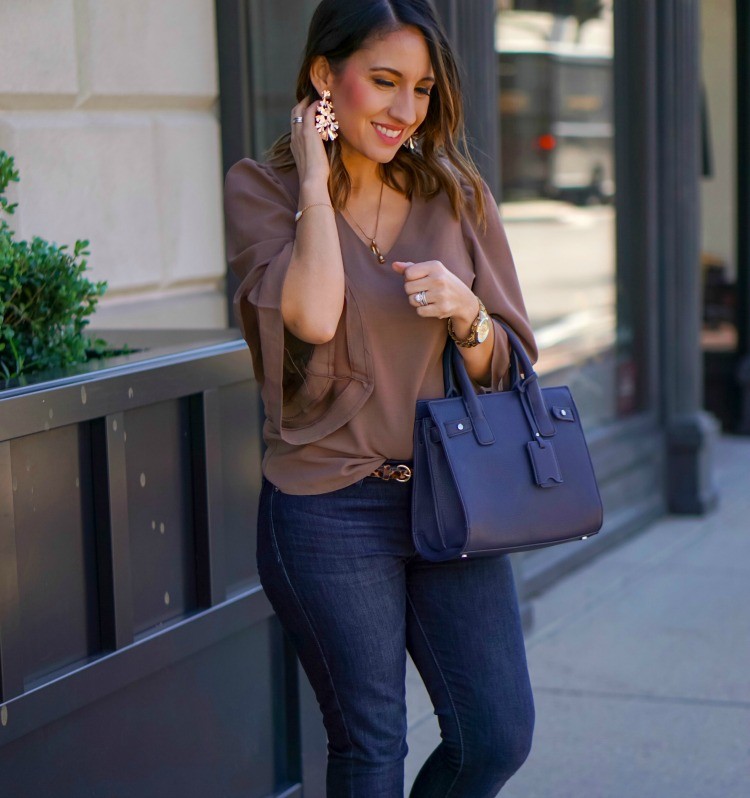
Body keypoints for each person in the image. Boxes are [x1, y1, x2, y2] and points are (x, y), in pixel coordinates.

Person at [223, 1, 537, 794]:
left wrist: (469, 314)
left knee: (496, 733)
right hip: (328, 508)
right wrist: (317, 185)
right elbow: (312, 315)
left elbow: (509, 367)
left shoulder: (456, 195)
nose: (406, 111)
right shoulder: (262, 189)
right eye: (384, 81)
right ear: (326, 76)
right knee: (371, 748)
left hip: (455, 497)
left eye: (423, 89)